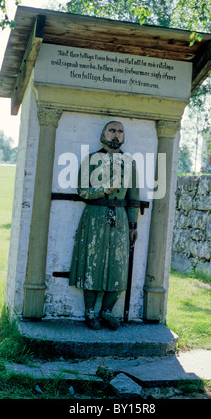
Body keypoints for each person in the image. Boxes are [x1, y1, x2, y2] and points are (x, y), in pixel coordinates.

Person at [69, 120, 139, 330]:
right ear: (103, 134)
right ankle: (90, 313)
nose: (116, 135)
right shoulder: (91, 159)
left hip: (120, 217)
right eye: (112, 131)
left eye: (120, 131)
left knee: (118, 267)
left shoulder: (130, 162)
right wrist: (105, 189)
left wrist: (133, 224)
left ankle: (106, 311)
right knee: (93, 262)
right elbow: (81, 191)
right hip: (95, 215)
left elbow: (134, 197)